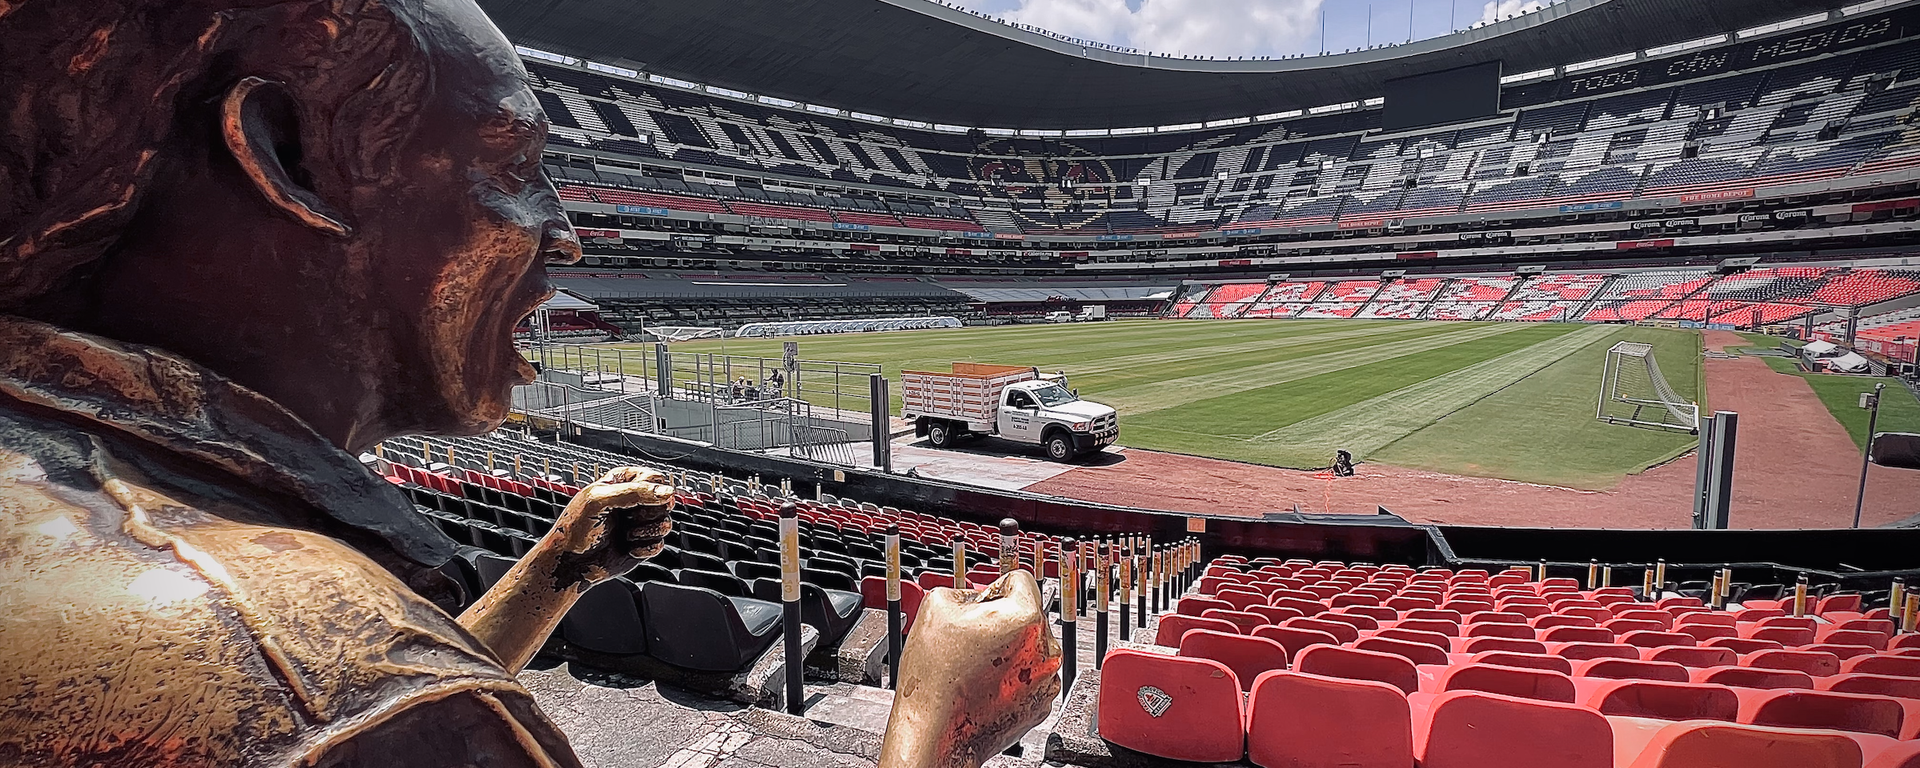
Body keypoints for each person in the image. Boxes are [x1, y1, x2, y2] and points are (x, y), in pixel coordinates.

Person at [0, 1, 1057, 766]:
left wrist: (554, 572)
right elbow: (399, 701)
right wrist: (933, 728)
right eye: (510, 165)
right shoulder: (332, 685)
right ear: (285, 156)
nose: (565, 226)